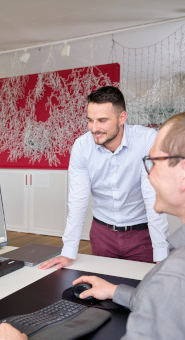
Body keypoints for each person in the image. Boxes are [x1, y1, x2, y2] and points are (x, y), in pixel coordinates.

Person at [0, 105, 185, 340]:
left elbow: (179, 295)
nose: (149, 176)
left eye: (154, 162)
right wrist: (117, 292)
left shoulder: (180, 279)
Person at [40, 86, 169, 269]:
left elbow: (152, 197)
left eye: (102, 120)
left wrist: (161, 251)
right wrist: (68, 251)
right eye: (90, 121)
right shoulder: (81, 147)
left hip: (142, 234)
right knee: (102, 288)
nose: (94, 128)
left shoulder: (147, 140)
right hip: (102, 234)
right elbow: (77, 201)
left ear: (122, 118)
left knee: (143, 289)